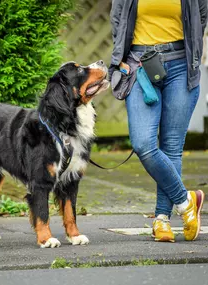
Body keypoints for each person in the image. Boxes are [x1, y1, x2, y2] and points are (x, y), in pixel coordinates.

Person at [109, 0, 208, 242]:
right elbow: (117, 19)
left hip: (181, 66)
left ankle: (161, 219)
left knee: (172, 146)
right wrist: (120, 58)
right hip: (140, 65)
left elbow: (200, 17)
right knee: (143, 143)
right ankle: (186, 202)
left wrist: (194, 55)